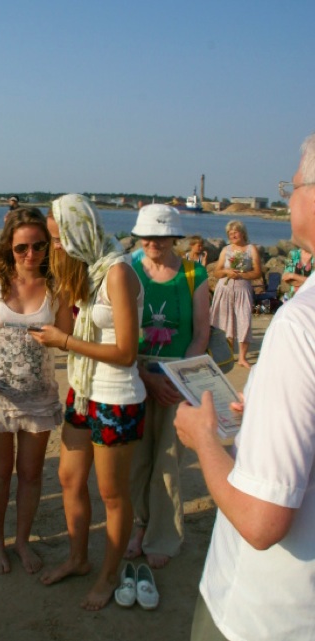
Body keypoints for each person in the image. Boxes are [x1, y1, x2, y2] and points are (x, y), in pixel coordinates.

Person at [173, 133, 315, 641]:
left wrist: (203, 439)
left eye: (292, 187)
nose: (288, 199)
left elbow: (260, 521)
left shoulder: (301, 325)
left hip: (270, 614)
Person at [32, 194, 146, 611]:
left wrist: (64, 342)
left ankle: (109, 574)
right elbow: (66, 320)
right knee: (68, 477)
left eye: (57, 239)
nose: (54, 247)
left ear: (78, 233)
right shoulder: (89, 269)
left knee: (112, 494)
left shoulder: (117, 272)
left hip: (116, 396)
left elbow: (127, 353)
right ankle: (78, 559)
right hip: (83, 391)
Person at [0, 207, 73, 576]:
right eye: (22, 247)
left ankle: (22, 541)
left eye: (39, 246)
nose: (31, 254)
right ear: (9, 246)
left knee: (30, 473)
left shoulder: (57, 286)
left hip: (39, 397)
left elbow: (68, 337)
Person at [125, 204, 210, 569]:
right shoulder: (127, 268)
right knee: (136, 459)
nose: (151, 242)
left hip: (178, 376)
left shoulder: (194, 273)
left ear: (174, 237)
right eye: (146, 235)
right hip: (135, 372)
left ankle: (163, 534)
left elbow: (201, 332)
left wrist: (176, 379)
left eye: (159, 236)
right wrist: (147, 377)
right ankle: (138, 527)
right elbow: (118, 330)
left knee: (168, 459)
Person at [209, 220, 262, 368]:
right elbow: (217, 272)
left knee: (244, 321)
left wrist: (241, 275)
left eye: (235, 232)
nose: (232, 236)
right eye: (230, 233)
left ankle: (242, 358)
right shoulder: (225, 250)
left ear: (243, 233)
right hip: (224, 289)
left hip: (242, 289)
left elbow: (257, 272)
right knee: (224, 322)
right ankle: (229, 354)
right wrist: (227, 271)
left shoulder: (251, 249)